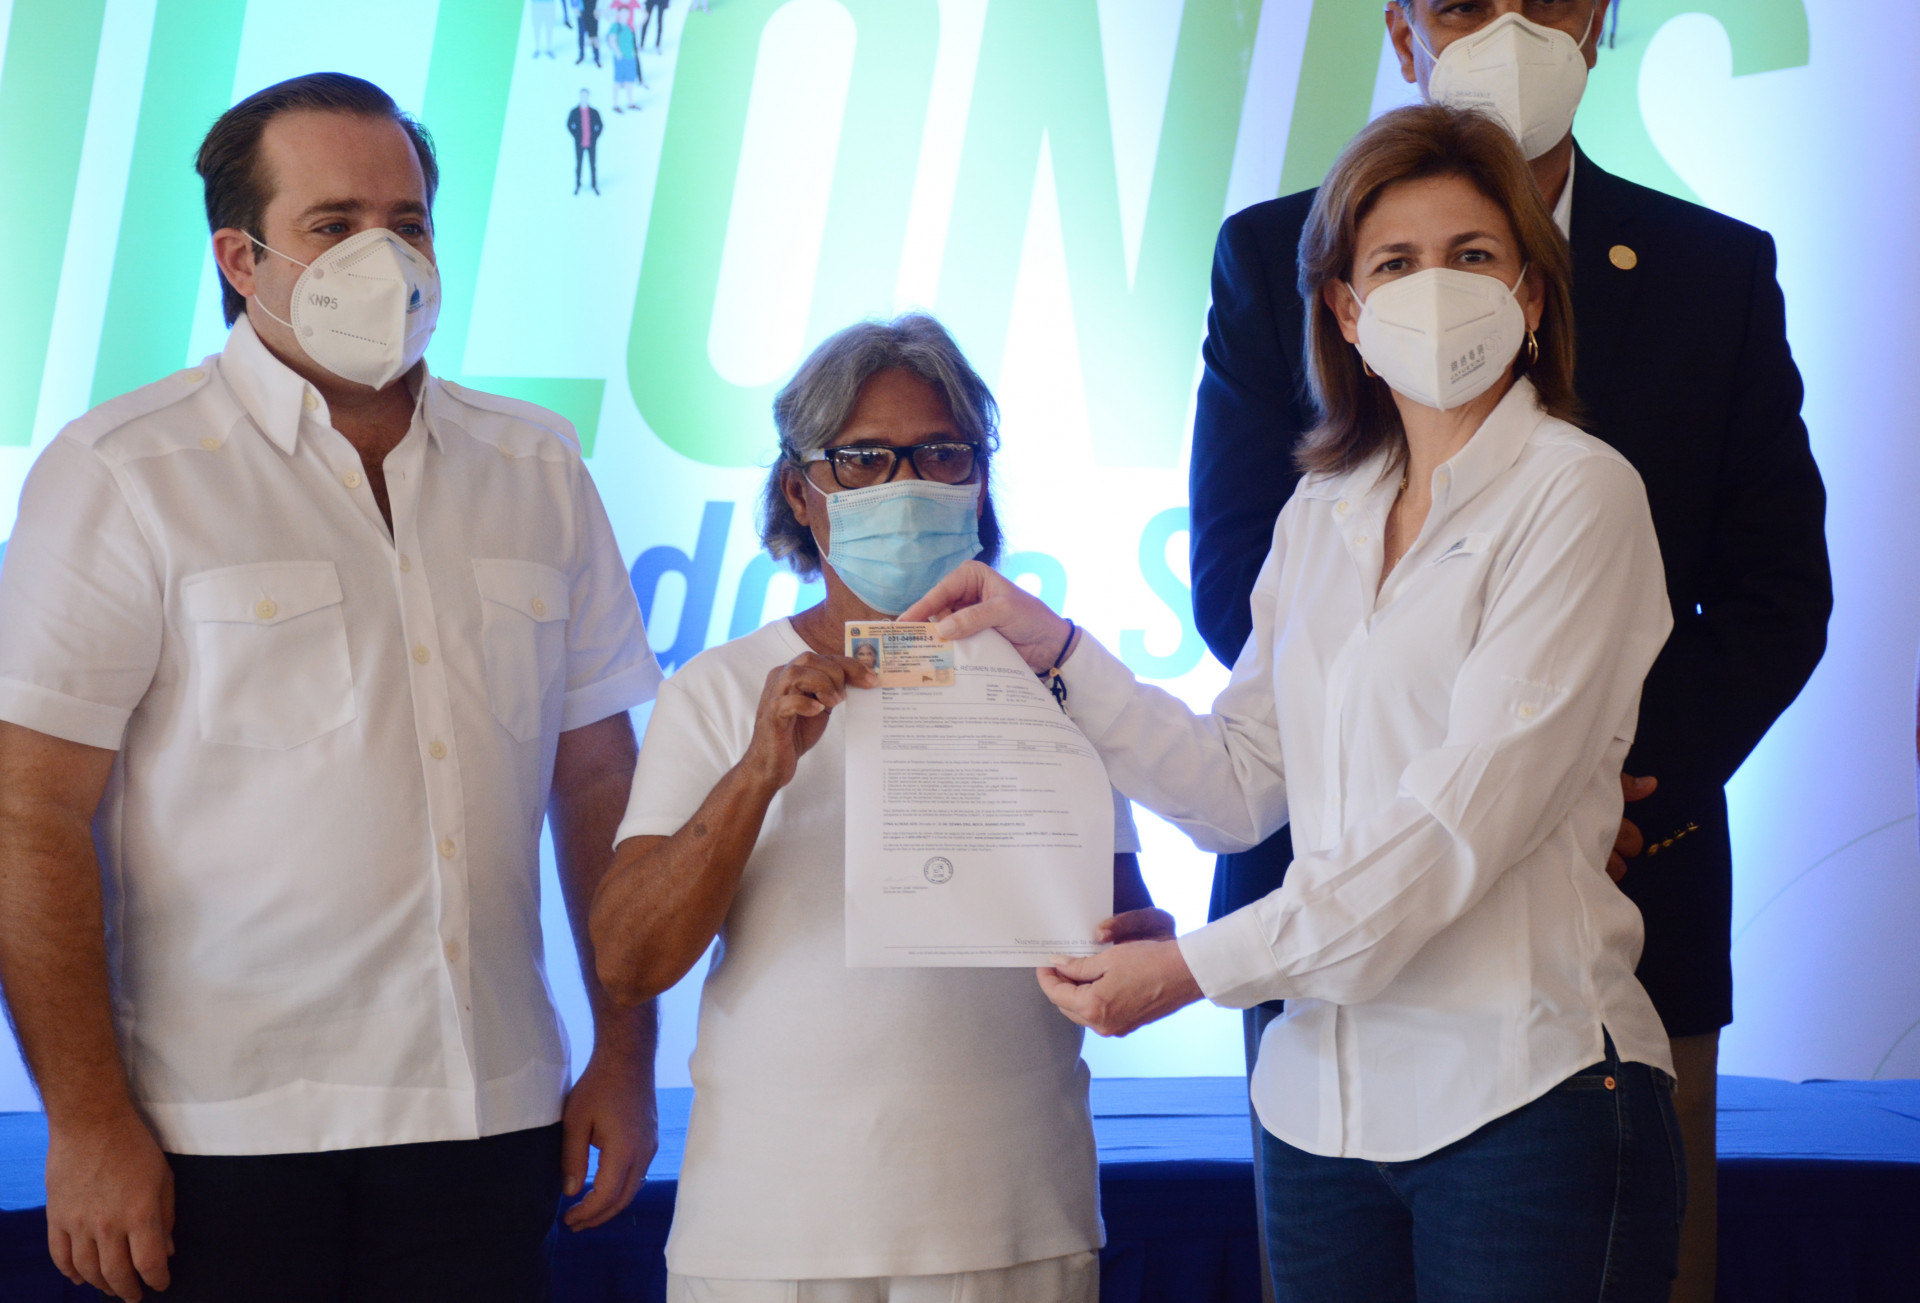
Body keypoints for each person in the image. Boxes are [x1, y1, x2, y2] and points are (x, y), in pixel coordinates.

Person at [909, 104, 1684, 1302]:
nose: (1436, 288)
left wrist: (1197, 966)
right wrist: (1052, 647)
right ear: (1345, 311)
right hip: (1319, 1108)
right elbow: (1238, 784)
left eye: (1474, 255)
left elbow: (1451, 835)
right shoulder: (1321, 513)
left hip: (1527, 1094)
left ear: (1531, 294)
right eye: (1396, 262)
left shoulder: (1580, 497)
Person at [1186, 6, 1830, 1297]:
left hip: (1608, 920)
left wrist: (1594, 782)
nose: (1509, 29)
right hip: (1327, 934)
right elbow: (1238, 572)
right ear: (1401, 28)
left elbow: (1776, 595)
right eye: (1464, 4)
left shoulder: (1714, 268)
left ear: (1601, 19)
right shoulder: (1279, 251)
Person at [0, 73, 662, 1303]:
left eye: (407, 223)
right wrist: (84, 1121)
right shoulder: (126, 471)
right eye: (334, 223)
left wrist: (625, 1052)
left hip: (491, 1116)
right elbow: (27, 811)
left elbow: (599, 781)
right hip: (219, 1135)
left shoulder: (535, 464)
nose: (384, 257)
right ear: (239, 258)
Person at [590, 315, 1162, 1303]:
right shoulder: (718, 692)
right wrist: (757, 772)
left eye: (941, 452)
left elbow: (1120, 944)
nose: (906, 484)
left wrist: (1146, 954)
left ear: (978, 481)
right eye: (862, 459)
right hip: (768, 1232)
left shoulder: (1054, 682)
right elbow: (629, 959)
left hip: (1009, 1218)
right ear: (798, 492)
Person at [568, 89, 604, 195]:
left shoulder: (594, 112)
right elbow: (569, 124)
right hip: (579, 143)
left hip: (591, 143)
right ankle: (578, 185)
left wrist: (595, 136)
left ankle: (594, 185)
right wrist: (576, 135)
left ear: (588, 97)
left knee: (593, 165)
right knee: (579, 164)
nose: (584, 97)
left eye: (586, 95)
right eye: (582, 95)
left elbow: (600, 125)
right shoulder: (574, 112)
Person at [606, 19, 643, 110]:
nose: (625, 15)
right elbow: (611, 40)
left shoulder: (628, 27)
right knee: (618, 81)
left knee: (629, 81)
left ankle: (630, 103)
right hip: (621, 58)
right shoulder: (616, 26)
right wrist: (618, 53)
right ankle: (615, 104)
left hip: (630, 58)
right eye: (622, 13)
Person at [575, 0, 601, 65]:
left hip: (593, 11)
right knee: (581, 35)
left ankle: (596, 57)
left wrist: (598, 9)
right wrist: (576, 8)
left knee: (594, 35)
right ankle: (581, 56)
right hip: (582, 12)